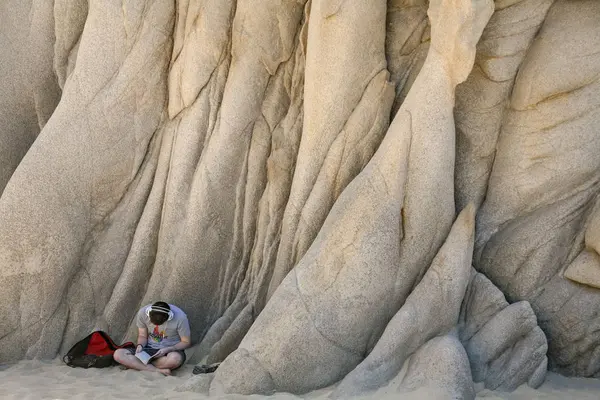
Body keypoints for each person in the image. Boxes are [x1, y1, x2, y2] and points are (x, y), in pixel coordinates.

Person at [113, 301, 191, 375]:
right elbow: (143, 336)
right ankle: (157, 370)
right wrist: (140, 345)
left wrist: (170, 349)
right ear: (149, 313)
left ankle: (138, 365)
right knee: (118, 354)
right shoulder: (143, 313)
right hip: (149, 349)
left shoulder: (181, 318)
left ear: (169, 317)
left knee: (175, 359)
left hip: (170, 350)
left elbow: (186, 342)